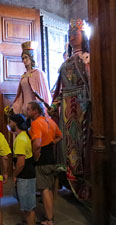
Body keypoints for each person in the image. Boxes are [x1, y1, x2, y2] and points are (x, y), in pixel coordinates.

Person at [50, 18, 91, 203]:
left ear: (83, 35)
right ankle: (68, 179)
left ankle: (82, 183)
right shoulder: (65, 61)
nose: (72, 36)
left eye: (76, 33)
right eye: (70, 34)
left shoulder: (86, 57)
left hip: (80, 105)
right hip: (66, 106)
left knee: (79, 143)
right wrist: (55, 104)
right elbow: (59, 87)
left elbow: (90, 82)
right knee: (66, 143)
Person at [27, 101, 62, 225]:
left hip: (42, 161)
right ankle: (49, 216)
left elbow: (37, 144)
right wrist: (51, 142)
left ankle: (49, 220)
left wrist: (36, 157)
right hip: (51, 159)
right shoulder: (50, 121)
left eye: (28, 109)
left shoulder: (36, 123)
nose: (27, 111)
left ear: (35, 111)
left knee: (44, 190)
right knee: (49, 189)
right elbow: (60, 136)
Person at [8, 114, 36, 225]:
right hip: (27, 174)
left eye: (10, 122)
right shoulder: (24, 135)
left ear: (15, 123)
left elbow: (20, 163)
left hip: (25, 175)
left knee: (28, 207)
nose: (9, 124)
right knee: (26, 204)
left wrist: (14, 175)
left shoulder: (20, 139)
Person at [12, 41, 51, 115]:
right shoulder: (24, 76)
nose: (24, 60)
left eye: (26, 57)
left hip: (34, 110)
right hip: (25, 109)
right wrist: (16, 106)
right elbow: (21, 95)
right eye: (22, 58)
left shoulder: (39, 73)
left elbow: (43, 93)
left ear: (31, 57)